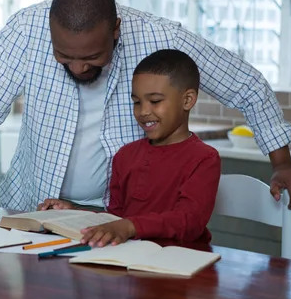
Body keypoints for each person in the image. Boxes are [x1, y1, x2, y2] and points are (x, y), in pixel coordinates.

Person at [0, 0, 291, 221]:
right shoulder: (25, 30)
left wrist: (282, 163)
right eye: (65, 57)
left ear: (115, 30)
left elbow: (246, 83)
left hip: (120, 219)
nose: (78, 68)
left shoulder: (161, 37)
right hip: (31, 211)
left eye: (92, 58)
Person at [38, 50, 221, 247]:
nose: (143, 111)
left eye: (155, 101)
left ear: (187, 100)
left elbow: (189, 221)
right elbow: (116, 219)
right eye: (137, 102)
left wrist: (129, 226)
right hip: (128, 259)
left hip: (182, 261)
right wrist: (72, 213)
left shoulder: (204, 158)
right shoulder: (125, 156)